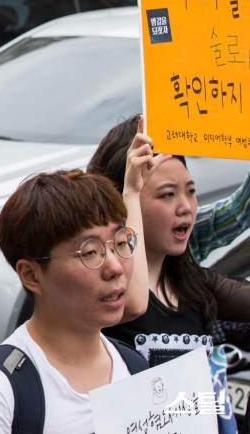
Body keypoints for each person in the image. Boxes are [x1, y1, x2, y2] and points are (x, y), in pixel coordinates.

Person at [0, 140, 154, 432]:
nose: (115, 267)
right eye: (90, 252)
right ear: (31, 275)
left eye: (120, 243)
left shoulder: (133, 368)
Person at [90, 117, 250, 363]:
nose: (186, 207)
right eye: (167, 195)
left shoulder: (194, 285)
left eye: (191, 191)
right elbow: (134, 304)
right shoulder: (100, 290)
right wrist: (131, 193)